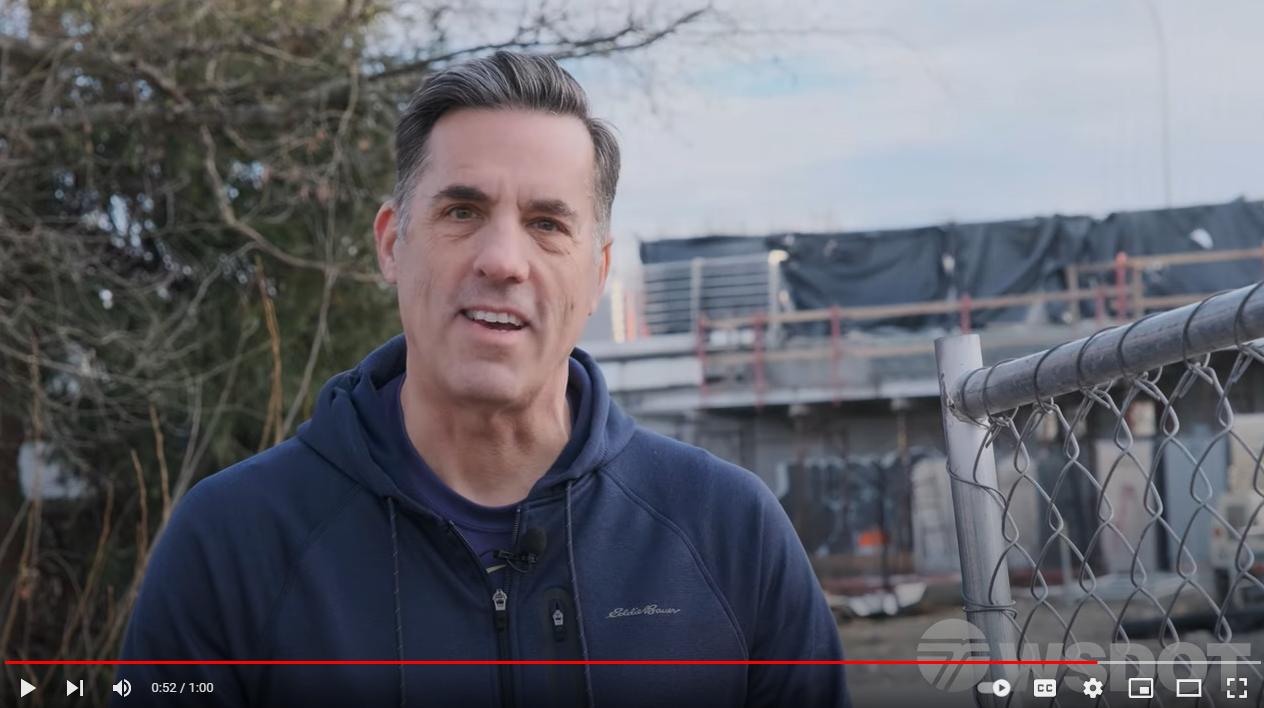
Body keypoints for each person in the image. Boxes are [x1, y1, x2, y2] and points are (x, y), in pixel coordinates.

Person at [113, 51, 850, 708]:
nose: (503, 260)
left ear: (597, 272)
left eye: (547, 223)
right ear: (391, 244)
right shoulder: (231, 543)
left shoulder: (728, 533)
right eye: (462, 211)